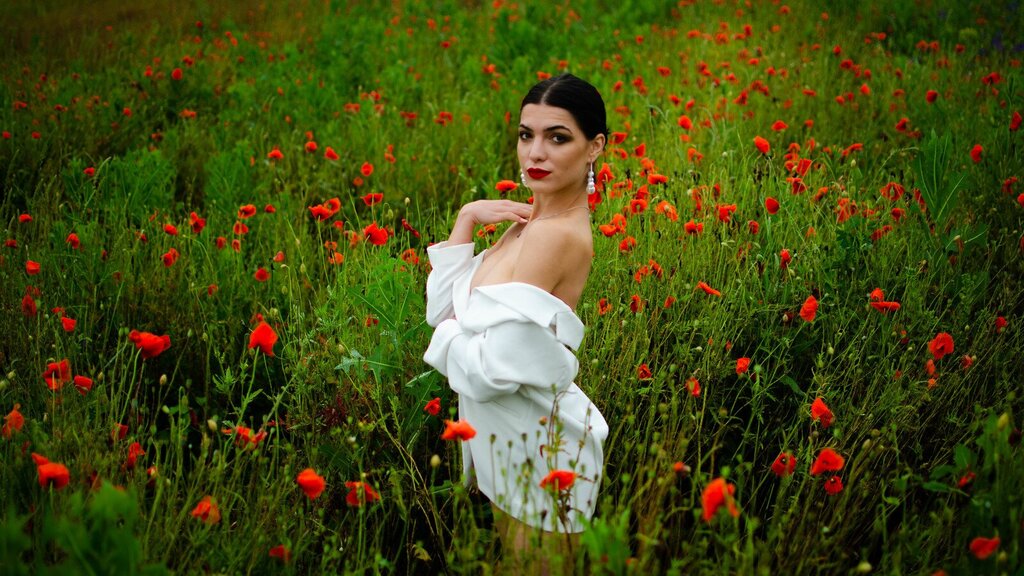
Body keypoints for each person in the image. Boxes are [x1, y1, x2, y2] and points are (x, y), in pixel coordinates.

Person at [422, 73, 610, 573]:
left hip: (542, 453)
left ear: (594, 147)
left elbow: (486, 367)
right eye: (527, 134)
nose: (535, 153)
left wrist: (450, 334)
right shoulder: (525, 227)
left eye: (558, 137)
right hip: (508, 439)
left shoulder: (555, 236)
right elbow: (443, 311)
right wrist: (466, 218)